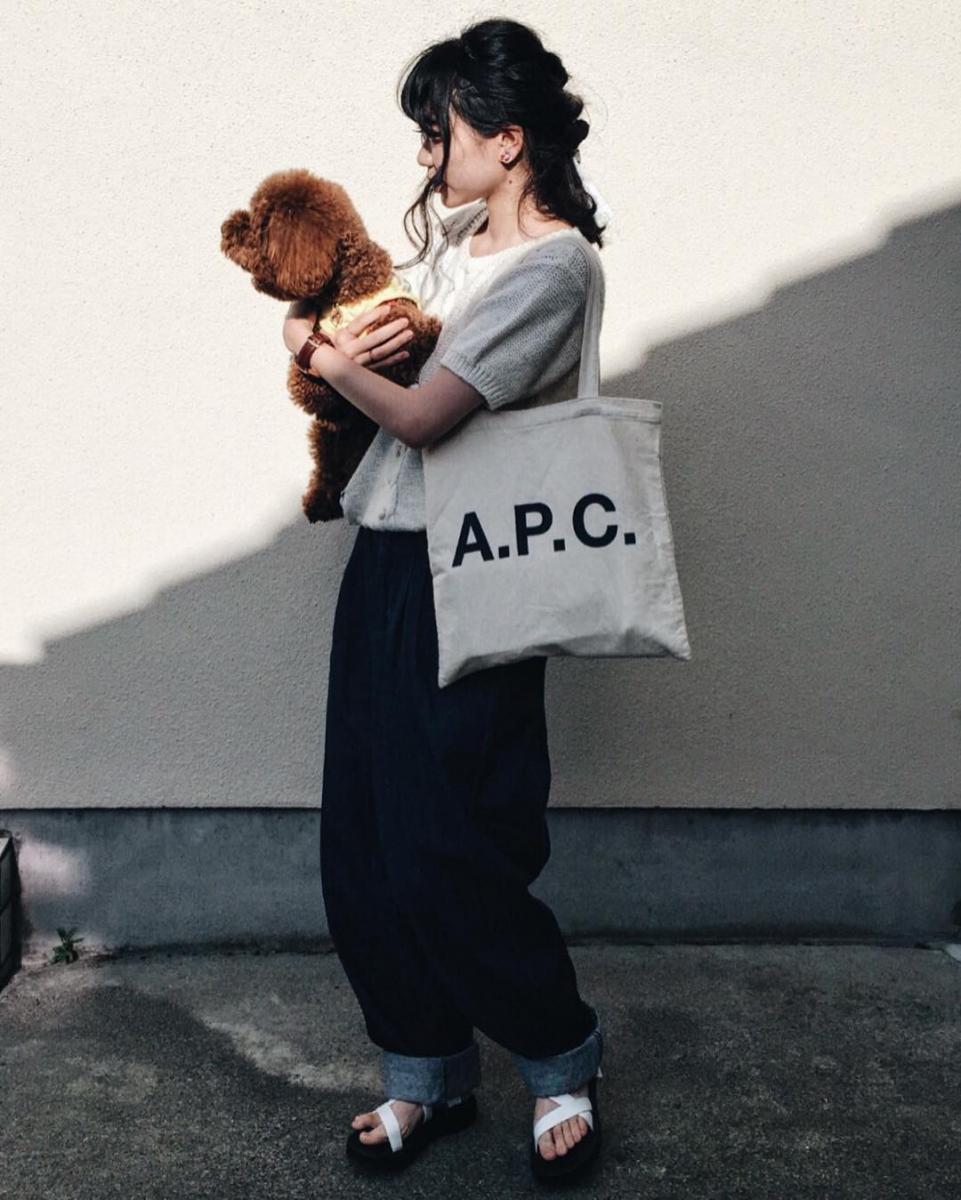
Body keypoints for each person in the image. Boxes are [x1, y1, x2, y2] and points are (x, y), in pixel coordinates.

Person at [283, 18, 609, 1181]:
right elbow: (370, 375)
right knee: (364, 840)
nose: (427, 154)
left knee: (448, 841)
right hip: (384, 556)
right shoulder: (451, 253)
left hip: (474, 569)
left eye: (441, 132)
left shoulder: (555, 269)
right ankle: (424, 1074)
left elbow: (425, 415)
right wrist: (318, 335)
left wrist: (327, 360)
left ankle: (558, 1056)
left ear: (507, 138)